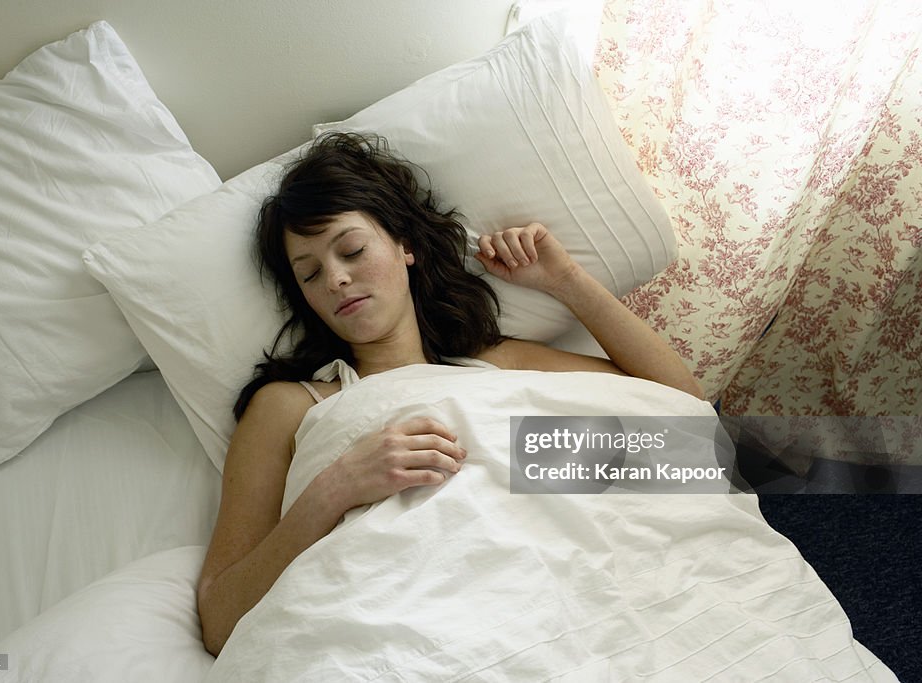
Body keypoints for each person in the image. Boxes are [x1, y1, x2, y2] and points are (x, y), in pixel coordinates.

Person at [196, 132, 702, 656]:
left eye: (351, 250)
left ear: (405, 246)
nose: (337, 279)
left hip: (550, 600)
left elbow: (685, 415)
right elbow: (220, 620)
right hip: (392, 627)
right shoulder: (290, 404)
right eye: (310, 273)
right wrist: (336, 487)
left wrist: (566, 279)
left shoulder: (497, 363)